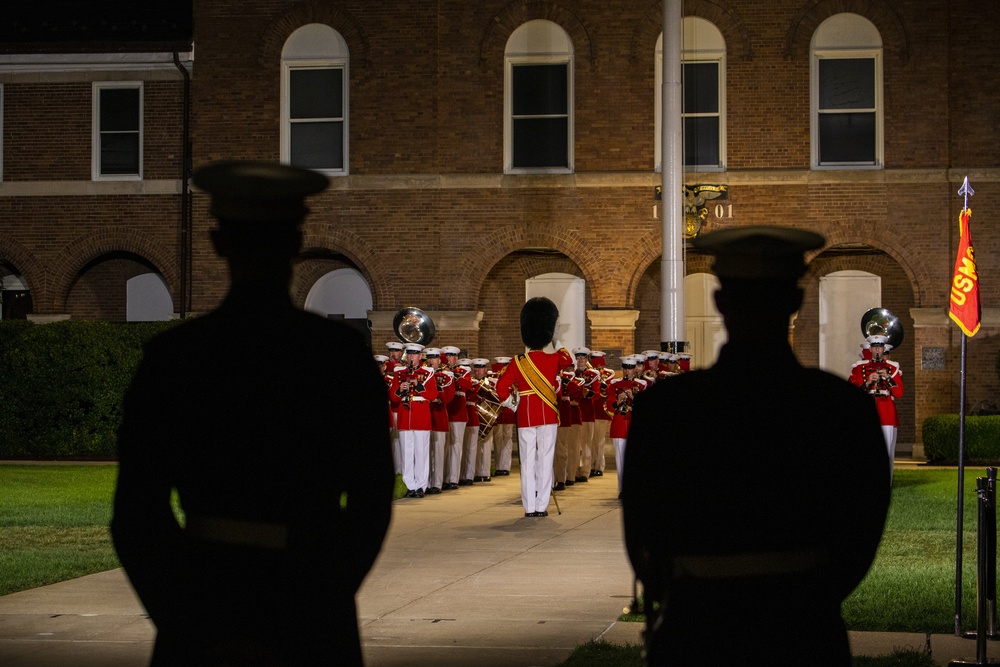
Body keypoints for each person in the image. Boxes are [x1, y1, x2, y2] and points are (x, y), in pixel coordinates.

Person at [111, 161, 394, 667]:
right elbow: (371, 504)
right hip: (310, 599)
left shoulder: (175, 358)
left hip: (204, 593)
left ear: (219, 244)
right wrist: (320, 600)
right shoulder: (339, 357)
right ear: (295, 243)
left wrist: (187, 617)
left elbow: (137, 516)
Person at [623, 225, 890, 666]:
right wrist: (806, 595)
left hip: (697, 628)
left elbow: (641, 533)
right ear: (796, 303)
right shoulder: (842, 407)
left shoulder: (666, 408)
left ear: (720, 302)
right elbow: (861, 534)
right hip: (803, 629)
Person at [495, 297, 573, 517]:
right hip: (548, 414)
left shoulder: (517, 361)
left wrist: (513, 405)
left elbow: (501, 388)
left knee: (527, 462)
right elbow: (569, 360)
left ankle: (529, 507)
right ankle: (541, 506)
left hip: (526, 414)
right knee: (545, 460)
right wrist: (557, 341)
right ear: (547, 332)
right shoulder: (554, 359)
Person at [849, 334, 903, 479]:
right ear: (871, 349)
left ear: (883, 349)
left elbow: (898, 393)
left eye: (880, 347)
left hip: (886, 413)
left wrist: (888, 378)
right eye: (875, 347)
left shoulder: (893, 367)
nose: (878, 350)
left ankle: (886, 482)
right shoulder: (859, 367)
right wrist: (867, 382)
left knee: (887, 451)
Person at [390, 342, 438, 497]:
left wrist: (418, 386)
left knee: (421, 452)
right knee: (407, 453)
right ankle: (410, 484)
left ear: (419, 356)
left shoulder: (428, 372)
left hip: (421, 416)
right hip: (405, 416)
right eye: (409, 354)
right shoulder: (399, 373)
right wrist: (400, 389)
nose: (411, 357)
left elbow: (432, 395)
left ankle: (421, 486)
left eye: (414, 354)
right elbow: (393, 397)